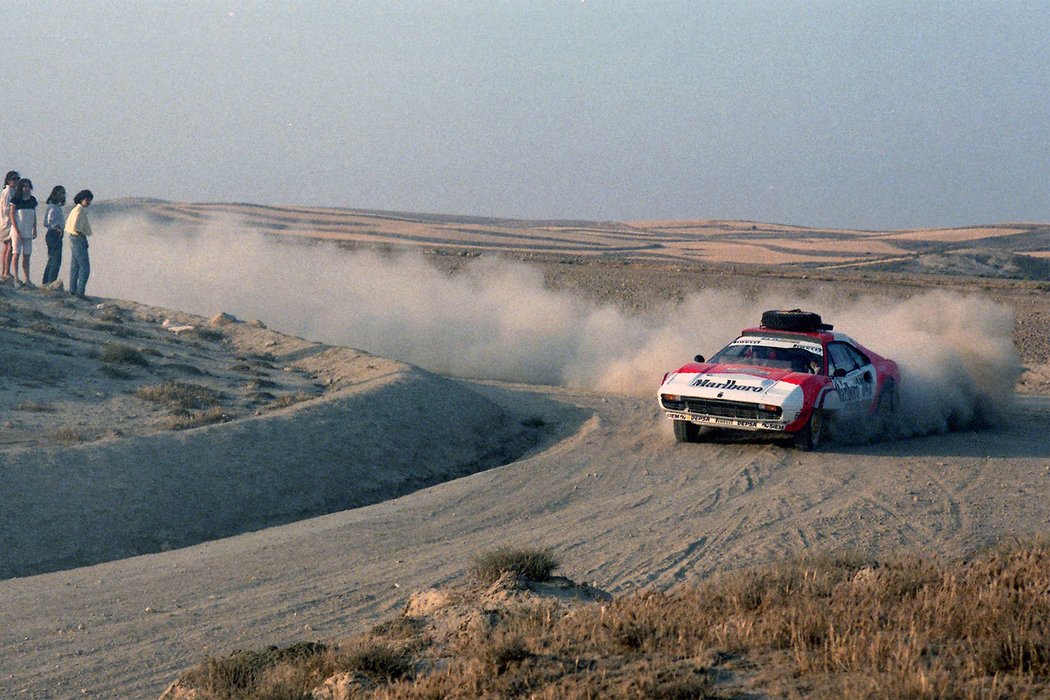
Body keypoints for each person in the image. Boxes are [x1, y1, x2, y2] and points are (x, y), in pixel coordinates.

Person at [9, 178, 38, 288]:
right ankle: (16, 278)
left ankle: (27, 279)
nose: (26, 189)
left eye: (28, 187)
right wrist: (16, 230)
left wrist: (34, 228)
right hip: (17, 231)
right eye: (24, 187)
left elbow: (33, 215)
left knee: (27, 256)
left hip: (28, 231)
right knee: (16, 254)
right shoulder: (16, 199)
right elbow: (12, 215)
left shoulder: (32, 200)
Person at [65, 189, 93, 299]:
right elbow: (77, 227)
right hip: (78, 238)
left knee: (75, 266)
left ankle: (73, 290)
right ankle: (80, 292)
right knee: (85, 267)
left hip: (73, 238)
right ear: (82, 199)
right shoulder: (79, 211)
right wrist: (83, 238)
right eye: (87, 200)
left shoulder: (76, 209)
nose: (89, 202)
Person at [41, 186, 66, 285]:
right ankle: (50, 281)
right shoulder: (53, 207)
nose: (61, 196)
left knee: (52, 259)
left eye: (63, 193)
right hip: (54, 234)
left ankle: (47, 281)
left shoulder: (56, 206)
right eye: (59, 193)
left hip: (54, 234)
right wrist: (57, 228)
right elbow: (48, 221)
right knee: (55, 259)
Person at [0, 170, 19, 281]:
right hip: (7, 222)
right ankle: (5, 271)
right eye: (13, 179)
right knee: (9, 246)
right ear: (8, 180)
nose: (16, 181)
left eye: (17, 179)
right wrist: (15, 214)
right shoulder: (8, 191)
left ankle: (5, 270)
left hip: (8, 221)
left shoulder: (13, 190)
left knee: (8, 246)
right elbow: (6, 208)